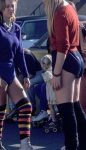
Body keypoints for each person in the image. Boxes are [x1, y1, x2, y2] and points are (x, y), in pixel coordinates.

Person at [0, 0, 35, 150]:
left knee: (26, 106)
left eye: (12, 5)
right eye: (7, 6)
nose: (10, 8)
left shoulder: (17, 28)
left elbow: (20, 54)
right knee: (0, 112)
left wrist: (26, 75)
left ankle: (24, 144)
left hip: (11, 73)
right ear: (1, 9)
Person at [43, 0, 86, 150]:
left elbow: (63, 46)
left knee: (66, 111)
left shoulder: (60, 12)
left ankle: (72, 146)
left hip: (66, 60)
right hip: (75, 58)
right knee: (75, 107)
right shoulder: (69, 8)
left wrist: (56, 73)